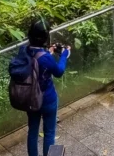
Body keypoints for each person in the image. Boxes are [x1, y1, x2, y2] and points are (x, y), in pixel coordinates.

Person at [8, 20, 70, 156]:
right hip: (47, 100)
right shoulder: (46, 58)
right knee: (49, 132)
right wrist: (64, 55)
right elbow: (59, 71)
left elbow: (35, 61)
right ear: (45, 37)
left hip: (31, 99)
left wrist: (48, 51)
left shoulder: (23, 50)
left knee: (33, 131)